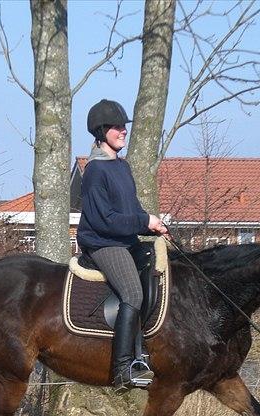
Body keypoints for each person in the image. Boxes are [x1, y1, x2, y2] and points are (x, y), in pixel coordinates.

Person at [76, 99, 168, 392]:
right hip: (103, 242)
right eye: (117, 127)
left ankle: (145, 352)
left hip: (126, 240)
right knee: (131, 291)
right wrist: (144, 221)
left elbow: (132, 208)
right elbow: (106, 220)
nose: (123, 131)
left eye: (123, 127)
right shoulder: (94, 171)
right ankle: (122, 370)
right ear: (102, 131)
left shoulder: (122, 167)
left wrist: (153, 226)